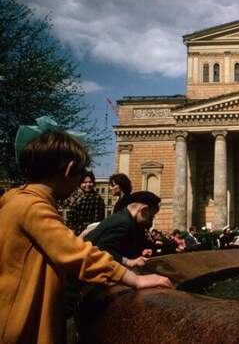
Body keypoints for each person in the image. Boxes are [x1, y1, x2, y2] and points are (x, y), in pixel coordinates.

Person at [0, 117, 171, 343]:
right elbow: (76, 252)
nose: (80, 185)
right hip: (19, 321)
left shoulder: (16, 201)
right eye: (80, 177)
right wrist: (134, 279)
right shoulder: (33, 207)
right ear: (70, 170)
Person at [85, 191, 164, 265]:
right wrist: (129, 262)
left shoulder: (125, 218)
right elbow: (103, 250)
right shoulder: (123, 222)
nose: (151, 220)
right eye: (151, 216)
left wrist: (142, 251)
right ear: (144, 210)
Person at [65, 170, 106, 235]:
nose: (88, 184)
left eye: (90, 182)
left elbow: (96, 222)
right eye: (85, 182)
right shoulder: (75, 196)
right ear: (80, 184)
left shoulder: (97, 198)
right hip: (71, 233)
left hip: (87, 234)